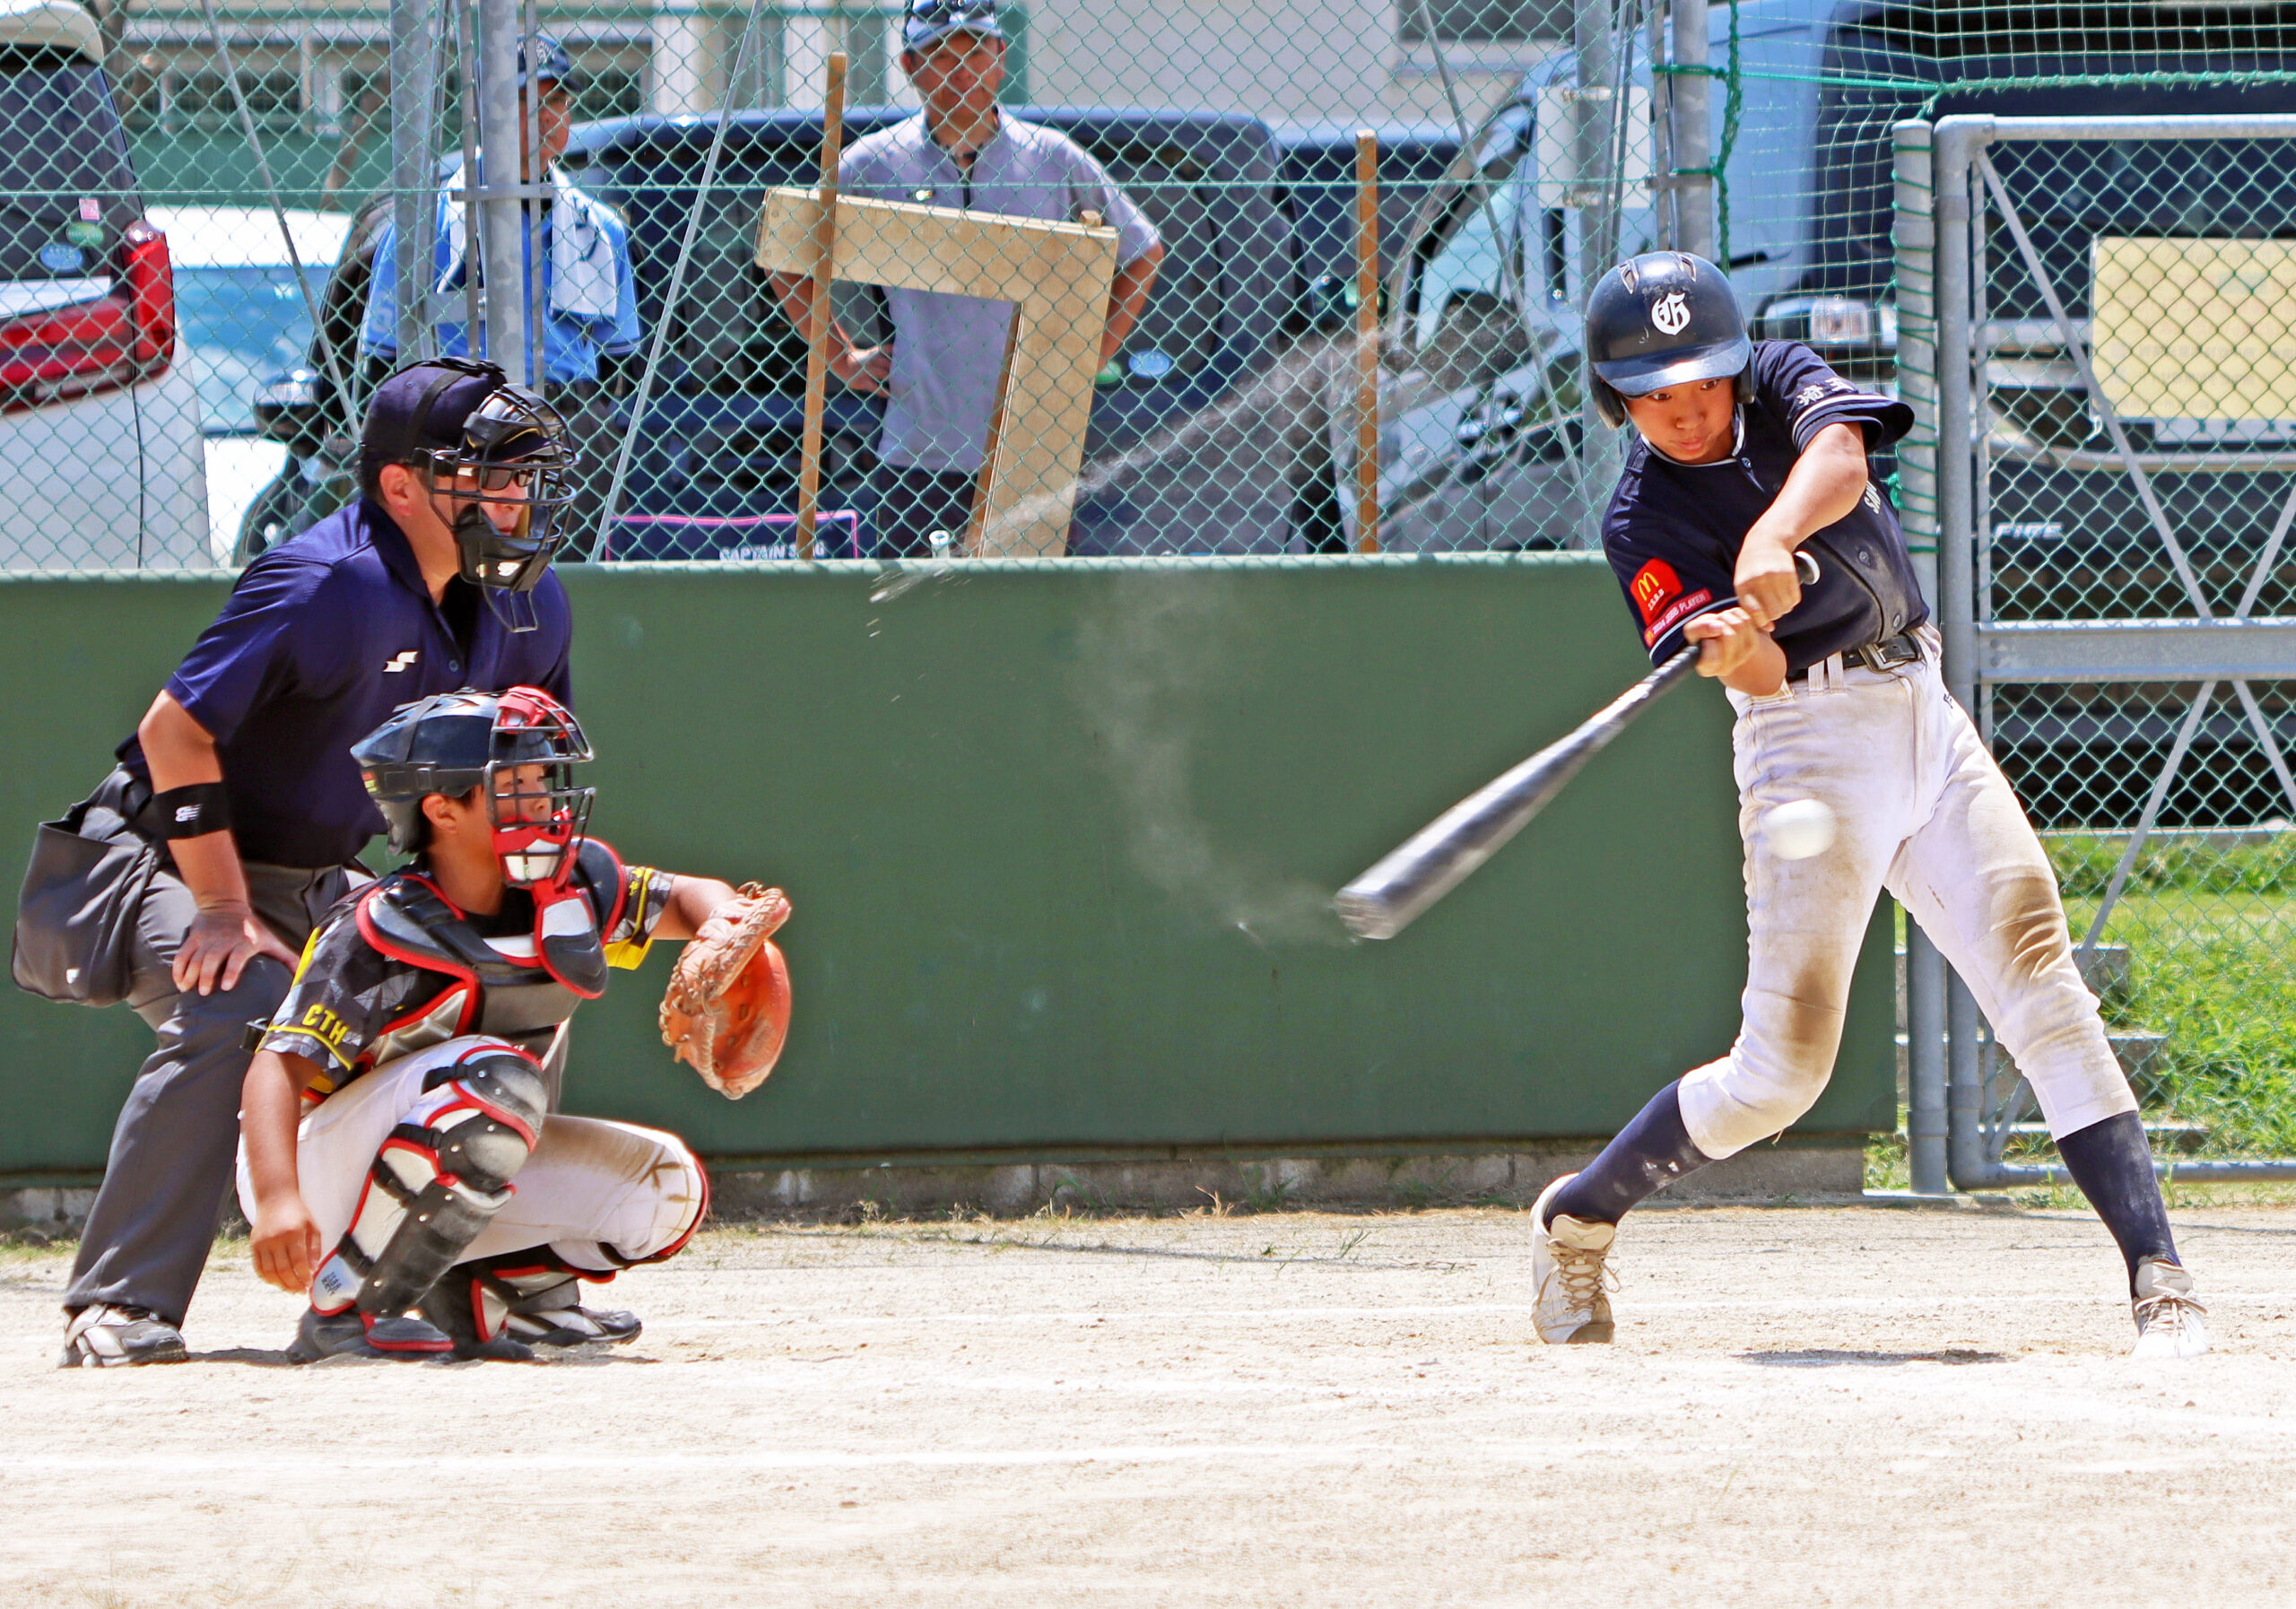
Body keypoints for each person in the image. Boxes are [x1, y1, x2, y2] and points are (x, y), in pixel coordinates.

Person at [1529, 250, 2209, 1359]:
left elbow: (1841, 458)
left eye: (1701, 380)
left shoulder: (1784, 382)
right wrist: (1733, 639)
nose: (1687, 409)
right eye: (1655, 395)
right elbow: (1749, 682)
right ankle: (1582, 1213)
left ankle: (2157, 1275)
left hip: (1921, 708)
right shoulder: (1640, 521)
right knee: (1779, 1077)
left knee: (2039, 979)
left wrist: (1769, 537)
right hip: (1805, 744)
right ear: (1618, 402)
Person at [45, 359, 578, 1368]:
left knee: (508, 979)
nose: (516, 497)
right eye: (490, 475)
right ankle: (122, 1305)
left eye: (524, 474)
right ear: (402, 488)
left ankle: (475, 1286)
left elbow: (514, 788)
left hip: (322, 879)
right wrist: (215, 903)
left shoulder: (528, 606)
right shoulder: (327, 582)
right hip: (161, 858)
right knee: (240, 994)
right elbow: (172, 734)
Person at [238, 687, 761, 1361]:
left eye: (543, 778)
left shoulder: (572, 888)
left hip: (464, 1136)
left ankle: (499, 1294)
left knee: (666, 1187)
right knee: (496, 1079)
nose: (542, 799)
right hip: (317, 1171)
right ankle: (350, 1305)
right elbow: (273, 1071)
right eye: (512, 785)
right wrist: (280, 1201)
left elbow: (690, 897)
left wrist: (726, 926)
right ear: (441, 809)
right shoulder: (380, 929)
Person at [767, 0, 1165, 557]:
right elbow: (789, 258)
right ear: (908, 66)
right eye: (940, 54)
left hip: (1036, 454)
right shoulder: (870, 163)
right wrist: (838, 355)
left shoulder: (1054, 158)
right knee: (917, 628)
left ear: (1001, 57)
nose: (962, 70)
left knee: (1034, 625)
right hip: (917, 449)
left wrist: (1093, 356)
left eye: (977, 50)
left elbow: (1142, 252)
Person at [360, 37, 639, 535]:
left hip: (564, 426)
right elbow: (380, 360)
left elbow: (621, 361)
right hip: (457, 433)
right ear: (489, 113)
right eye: (530, 102)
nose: (550, 116)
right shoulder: (427, 226)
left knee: (564, 582)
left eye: (558, 100)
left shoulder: (598, 230)